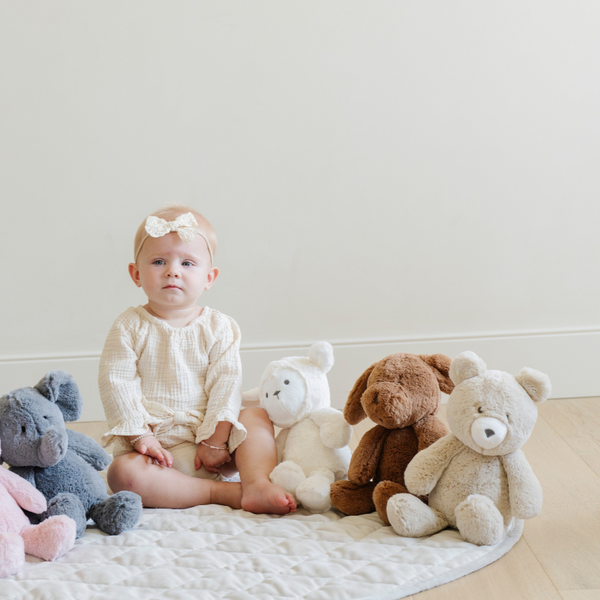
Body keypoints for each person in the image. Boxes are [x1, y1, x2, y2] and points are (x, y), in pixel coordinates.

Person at [99, 205, 296, 514]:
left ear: (209, 277)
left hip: (215, 445)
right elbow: (116, 382)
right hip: (157, 450)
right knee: (122, 474)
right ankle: (219, 492)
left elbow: (226, 382)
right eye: (159, 261)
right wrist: (141, 436)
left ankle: (256, 481)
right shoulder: (129, 325)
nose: (172, 270)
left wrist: (216, 441)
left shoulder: (220, 326)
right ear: (136, 274)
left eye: (187, 262)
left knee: (256, 416)